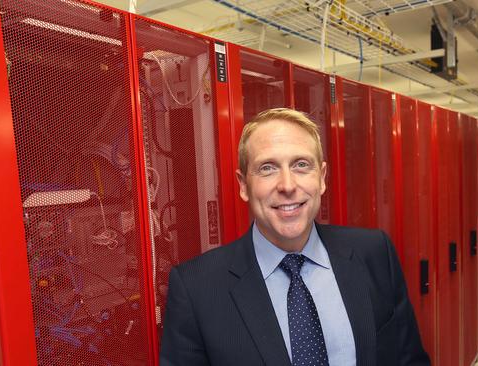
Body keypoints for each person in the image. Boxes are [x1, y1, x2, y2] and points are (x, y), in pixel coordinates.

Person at [160, 108, 430, 366]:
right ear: (243, 185)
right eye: (267, 168)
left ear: (322, 178)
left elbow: (408, 359)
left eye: (301, 165)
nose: (287, 185)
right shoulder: (196, 288)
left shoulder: (374, 253)